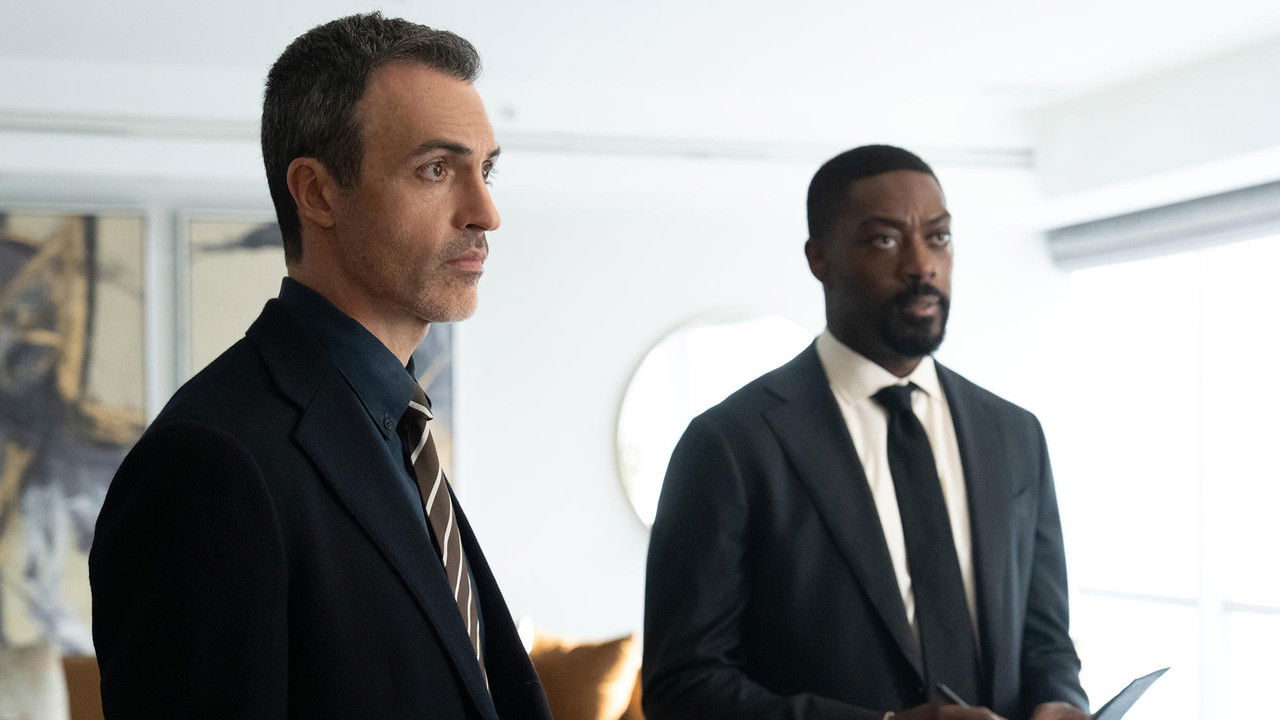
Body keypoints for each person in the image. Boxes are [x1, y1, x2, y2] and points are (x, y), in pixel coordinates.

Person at [89, 13, 552, 720]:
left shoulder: (397, 430)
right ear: (316, 192)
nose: (485, 212)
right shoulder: (210, 463)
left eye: (485, 171)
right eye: (436, 169)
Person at [643, 145, 1088, 720]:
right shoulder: (730, 444)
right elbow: (683, 689)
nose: (921, 265)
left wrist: (1060, 701)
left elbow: (1047, 641)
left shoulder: (1014, 435)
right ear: (820, 259)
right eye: (884, 240)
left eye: (939, 237)